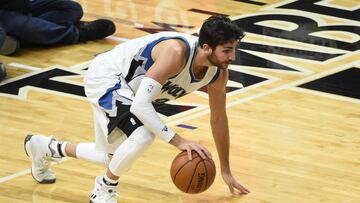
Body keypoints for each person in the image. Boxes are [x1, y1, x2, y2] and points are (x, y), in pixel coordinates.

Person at [24, 15, 250, 203]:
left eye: (234, 50)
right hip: (108, 77)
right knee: (142, 135)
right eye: (227, 50)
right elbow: (141, 105)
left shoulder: (218, 73)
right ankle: (104, 190)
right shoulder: (176, 52)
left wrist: (226, 170)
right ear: (206, 47)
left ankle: (46, 147)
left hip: (129, 91)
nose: (232, 57)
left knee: (112, 157)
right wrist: (179, 141)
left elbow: (219, 119)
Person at [0, 0, 115, 55]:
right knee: (27, 27)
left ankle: (18, 37)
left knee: (72, 8)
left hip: (19, 5)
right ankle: (78, 33)